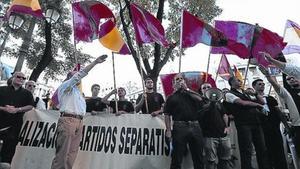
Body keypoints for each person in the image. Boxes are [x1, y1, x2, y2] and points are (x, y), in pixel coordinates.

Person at [50, 55, 107, 169]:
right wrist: (94, 62)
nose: (78, 76)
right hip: (68, 121)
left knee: (72, 155)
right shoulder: (65, 87)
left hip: (79, 122)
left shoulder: (79, 93)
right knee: (62, 154)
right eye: (74, 74)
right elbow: (80, 74)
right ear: (69, 77)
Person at [223, 76, 270, 169]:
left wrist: (255, 93)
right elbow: (242, 103)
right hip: (244, 124)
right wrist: (257, 105)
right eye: (238, 80)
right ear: (231, 83)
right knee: (246, 149)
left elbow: (263, 102)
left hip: (256, 122)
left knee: (262, 148)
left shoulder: (246, 93)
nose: (241, 81)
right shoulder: (229, 94)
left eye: (241, 80)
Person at [164, 73, 204, 169]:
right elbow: (167, 115)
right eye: (177, 79)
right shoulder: (171, 97)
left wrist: (186, 89)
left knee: (198, 156)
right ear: (173, 84)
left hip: (195, 126)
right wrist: (169, 130)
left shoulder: (191, 93)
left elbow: (200, 99)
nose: (180, 80)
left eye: (181, 79)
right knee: (177, 157)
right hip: (180, 127)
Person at [258, 65, 300, 157]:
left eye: (293, 77)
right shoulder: (287, 94)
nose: (292, 80)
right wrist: (268, 75)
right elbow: (275, 85)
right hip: (298, 127)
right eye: (289, 79)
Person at [252, 79, 289, 169]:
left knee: (278, 149)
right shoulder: (252, 100)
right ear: (254, 86)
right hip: (261, 129)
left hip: (274, 128)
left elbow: (279, 112)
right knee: (264, 151)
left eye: (263, 84)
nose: (262, 85)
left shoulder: (270, 98)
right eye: (259, 84)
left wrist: (286, 126)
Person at [0, 72, 34, 168]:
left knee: (9, 151)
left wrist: (17, 110)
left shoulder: (27, 94)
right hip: (1, 122)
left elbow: (30, 106)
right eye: (18, 77)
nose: (21, 79)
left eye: (23, 78)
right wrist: (4, 108)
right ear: (13, 77)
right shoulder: (2, 89)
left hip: (14, 126)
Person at [199, 83, 231, 169]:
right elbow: (205, 110)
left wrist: (227, 127)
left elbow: (224, 115)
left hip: (223, 135)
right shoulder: (200, 103)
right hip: (209, 136)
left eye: (208, 87)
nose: (206, 88)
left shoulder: (219, 103)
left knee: (225, 159)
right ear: (201, 91)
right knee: (210, 161)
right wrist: (212, 103)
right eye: (204, 88)